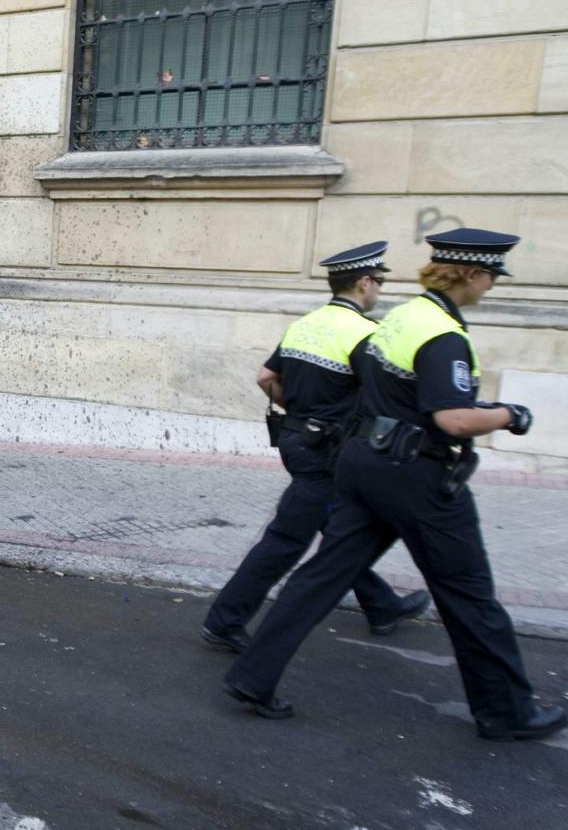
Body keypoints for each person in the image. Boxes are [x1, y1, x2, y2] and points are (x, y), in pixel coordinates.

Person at [223, 228, 568, 742]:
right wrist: (507, 415)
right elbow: (451, 418)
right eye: (491, 275)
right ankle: (505, 711)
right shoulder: (443, 335)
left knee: (319, 577)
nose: (492, 285)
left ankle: (252, 676)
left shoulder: (403, 315)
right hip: (416, 475)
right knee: (469, 593)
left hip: (362, 465)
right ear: (471, 273)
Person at [201, 241, 430, 654]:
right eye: (378, 281)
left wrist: (302, 411)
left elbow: (265, 377)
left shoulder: (304, 325)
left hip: (297, 440)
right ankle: (224, 620)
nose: (378, 289)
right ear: (364, 283)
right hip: (327, 454)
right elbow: (382, 400)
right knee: (287, 540)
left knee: (344, 529)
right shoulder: (366, 335)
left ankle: (382, 606)